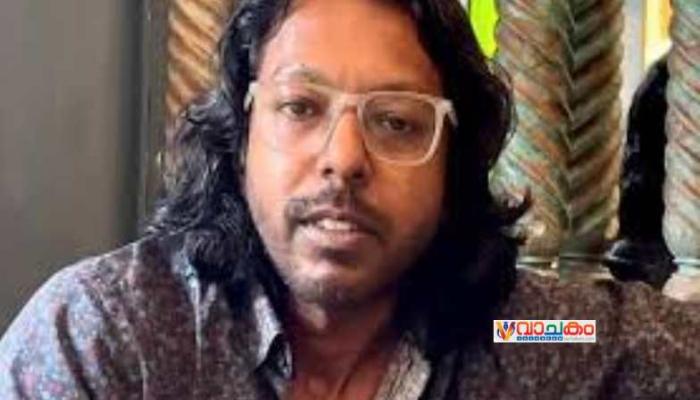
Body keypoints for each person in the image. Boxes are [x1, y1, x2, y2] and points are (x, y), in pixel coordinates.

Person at [1, 0, 699, 399]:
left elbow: (615, 341)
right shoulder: (114, 337)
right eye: (301, 107)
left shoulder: (524, 334)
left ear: (453, 161)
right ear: (241, 138)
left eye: (395, 122)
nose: (343, 159)